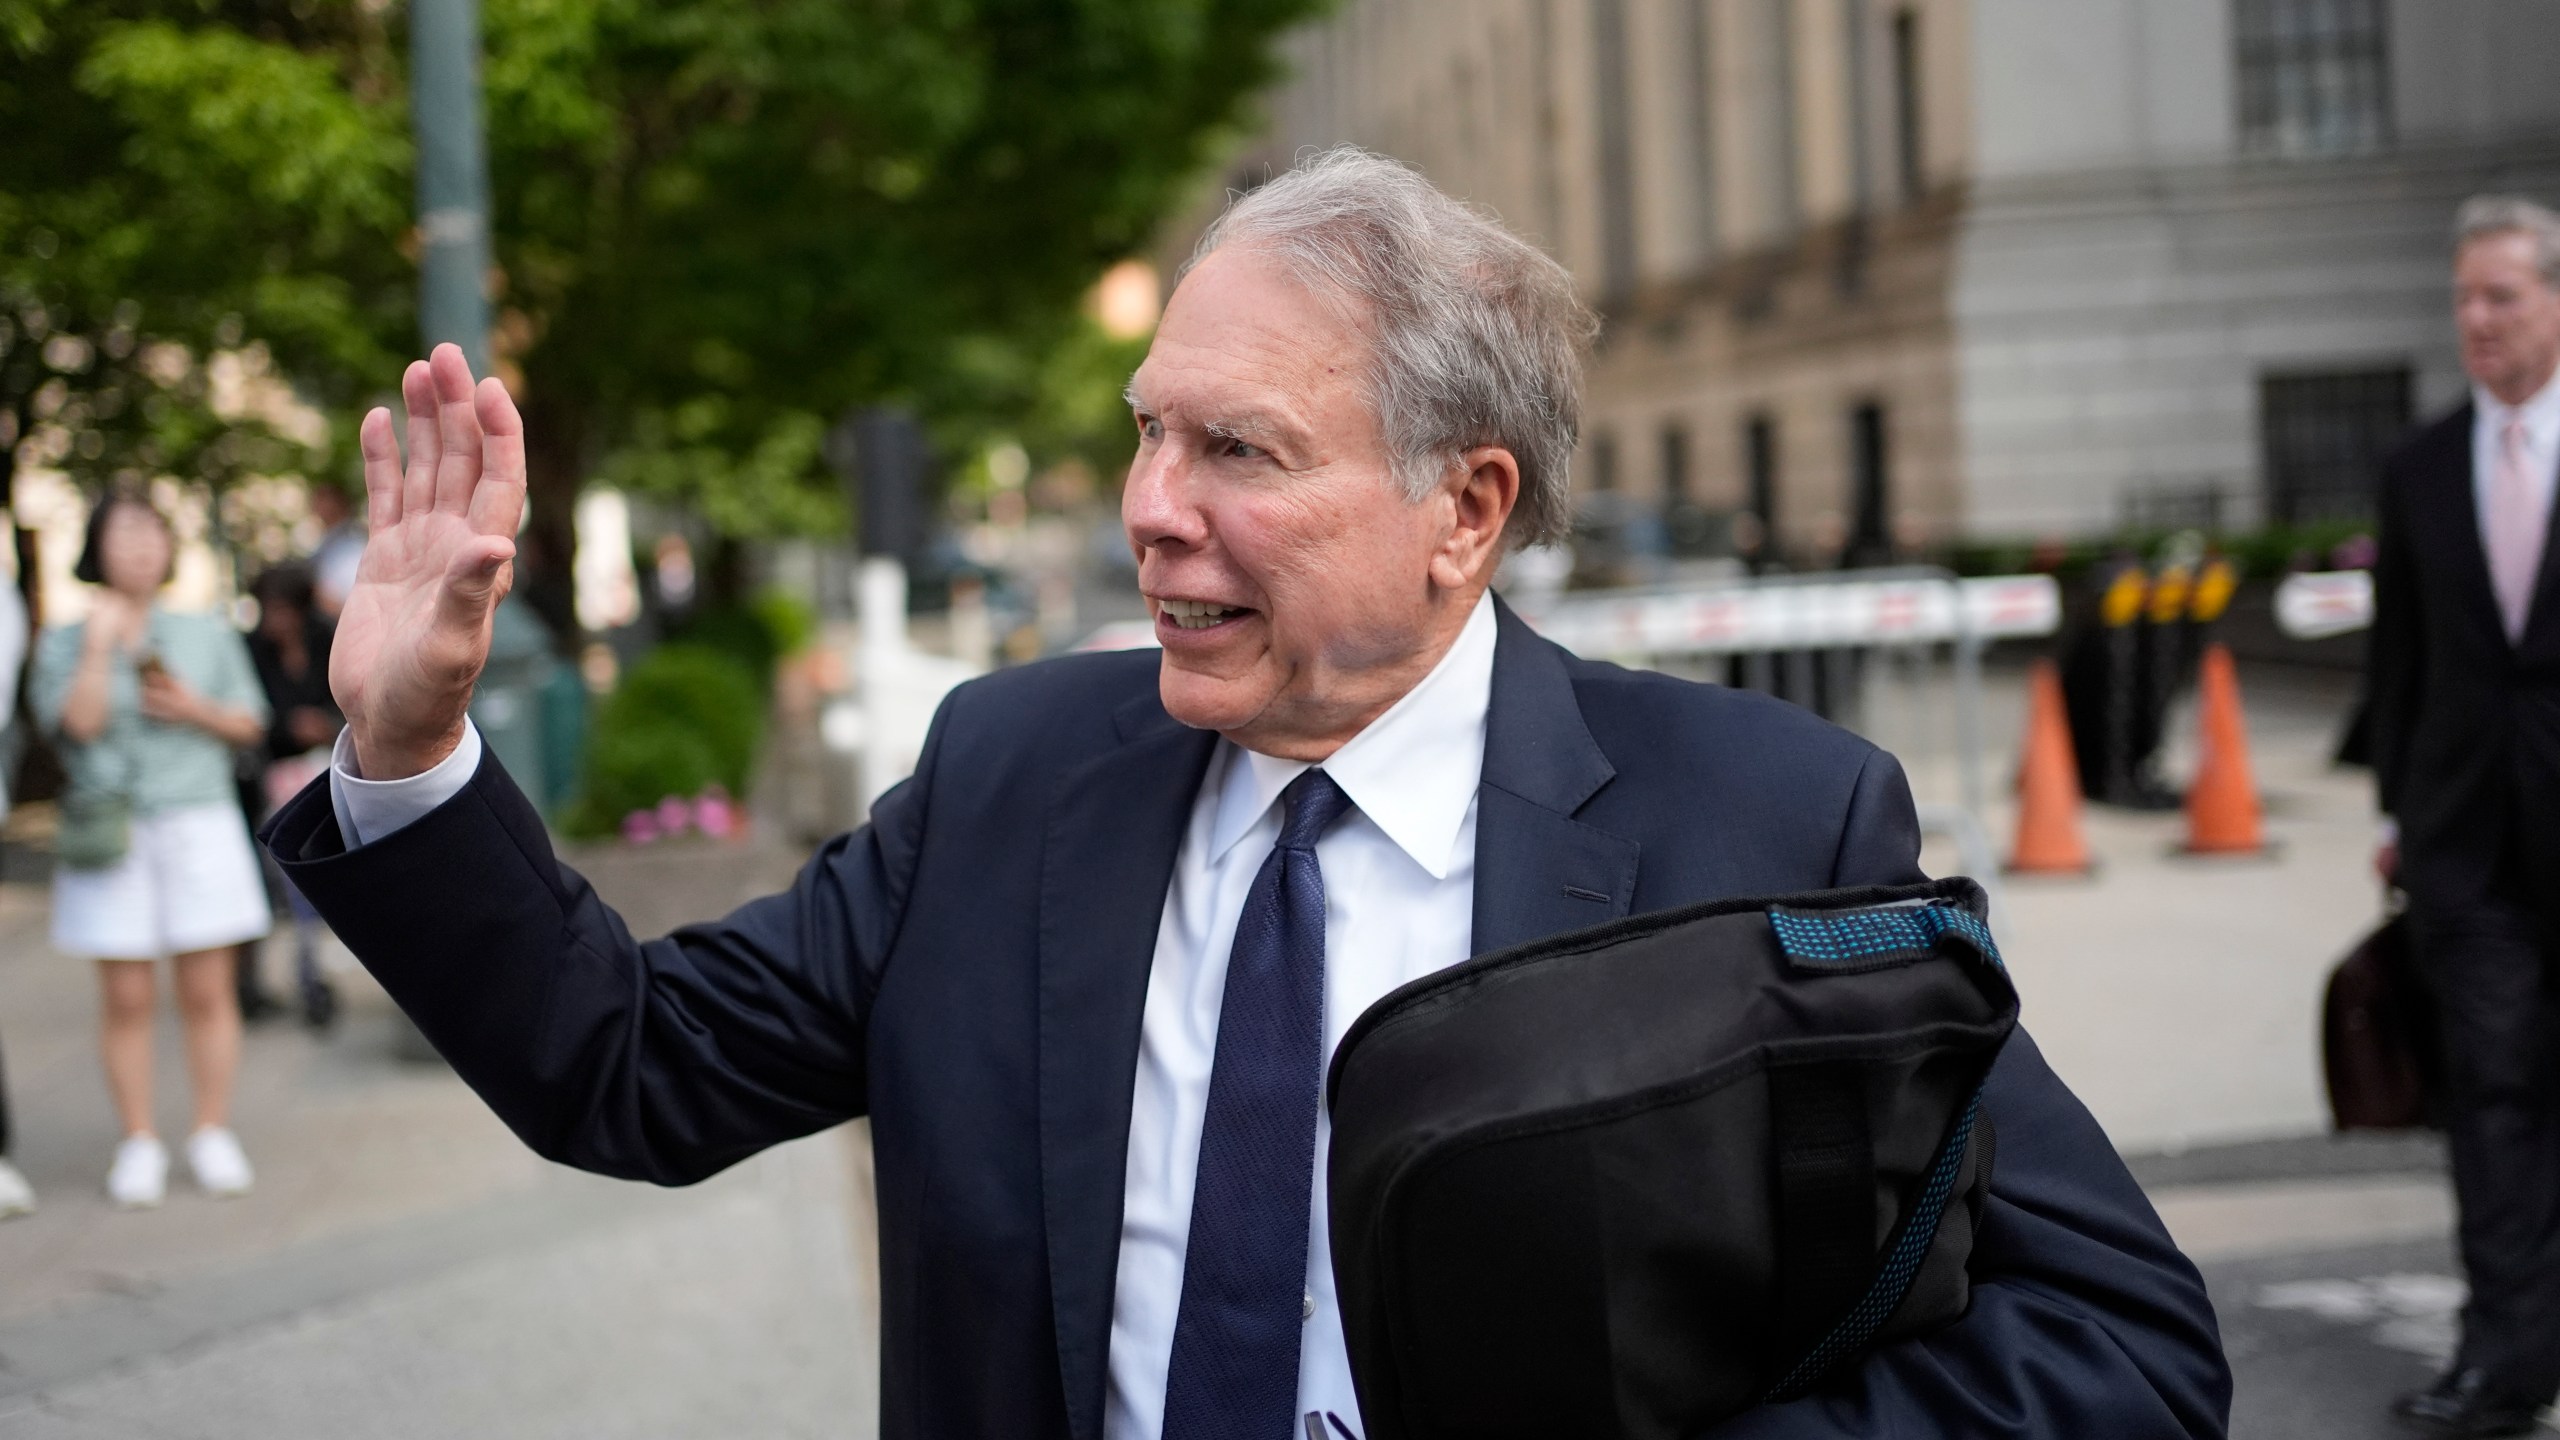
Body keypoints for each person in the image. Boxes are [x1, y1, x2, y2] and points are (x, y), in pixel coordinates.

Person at [266, 150, 2229, 1438]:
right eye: (1142, 435)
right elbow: (626, 1066)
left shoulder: (1760, 825)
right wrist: (409, 753)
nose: (1146, 509)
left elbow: (2120, 1347)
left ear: (1465, 509)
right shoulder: (1008, 775)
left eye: (1237, 450)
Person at [2371, 195, 2560, 1438]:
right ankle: (2505, 1357)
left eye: (2501, 296)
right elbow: (2403, 660)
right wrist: (2396, 811)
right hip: (2467, 850)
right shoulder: (2422, 463)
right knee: (2491, 1098)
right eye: (2462, 298)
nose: (2476, 320)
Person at [32, 491, 271, 1209]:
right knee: (127, 996)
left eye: (152, 532)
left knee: (207, 989)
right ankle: (138, 1139)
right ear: (96, 547)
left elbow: (251, 724)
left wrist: (194, 708)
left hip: (197, 818)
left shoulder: (204, 629)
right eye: (124, 532)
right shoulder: (66, 640)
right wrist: (102, 646)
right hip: (112, 830)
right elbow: (76, 726)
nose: (140, 546)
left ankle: (211, 1130)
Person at [241, 564, 342, 1029]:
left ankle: (312, 971)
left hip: (327, 770)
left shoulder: (327, 638)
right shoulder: (251, 650)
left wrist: (326, 724)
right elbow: (252, 716)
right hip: (272, 779)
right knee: (271, 884)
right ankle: (260, 980)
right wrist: (287, 728)